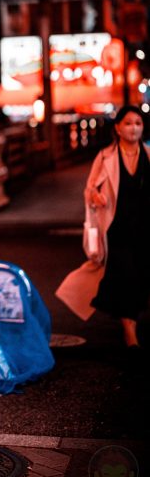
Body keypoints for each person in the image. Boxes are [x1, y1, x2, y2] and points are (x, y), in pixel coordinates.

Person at [84, 106, 150, 349]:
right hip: (117, 226)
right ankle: (129, 330)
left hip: (144, 227)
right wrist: (96, 197)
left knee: (142, 275)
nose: (134, 128)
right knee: (126, 275)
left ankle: (129, 318)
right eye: (129, 123)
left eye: (138, 123)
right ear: (118, 128)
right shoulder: (105, 157)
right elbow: (89, 188)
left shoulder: (148, 154)